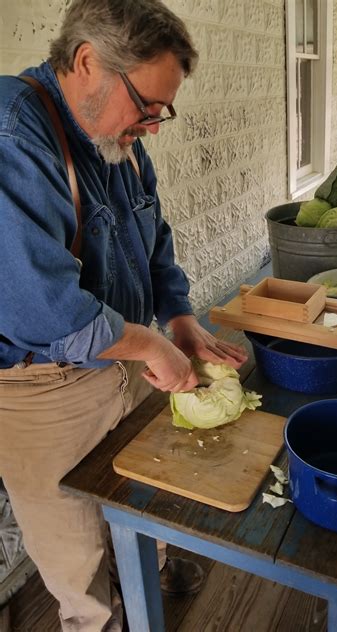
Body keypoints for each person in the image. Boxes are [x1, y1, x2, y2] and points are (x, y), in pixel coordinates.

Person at [0, 1, 248, 630]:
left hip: (128, 356)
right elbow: (41, 308)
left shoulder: (120, 140)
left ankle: (156, 563)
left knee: (148, 486)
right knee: (73, 549)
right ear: (87, 62)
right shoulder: (13, 136)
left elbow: (154, 237)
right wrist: (145, 343)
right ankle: (96, 619)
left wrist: (179, 319)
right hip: (42, 387)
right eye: (147, 106)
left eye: (164, 109)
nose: (156, 125)